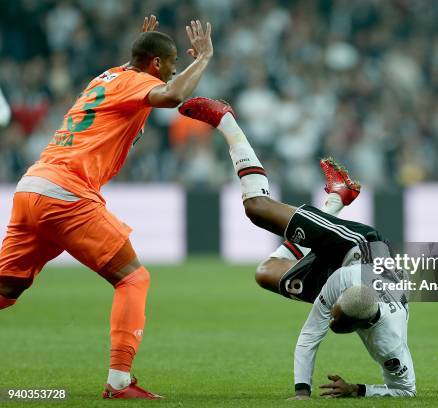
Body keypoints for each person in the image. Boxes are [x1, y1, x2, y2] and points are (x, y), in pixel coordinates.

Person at [0, 15, 213, 399]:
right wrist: (204, 59)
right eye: (172, 63)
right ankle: (119, 383)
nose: (175, 69)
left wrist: (144, 47)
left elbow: (133, 75)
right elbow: (173, 96)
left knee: (6, 288)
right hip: (66, 193)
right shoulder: (141, 81)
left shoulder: (107, 76)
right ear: (155, 65)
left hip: (32, 186)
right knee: (133, 278)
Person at [180, 97, 416, 399]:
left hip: (367, 275)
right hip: (362, 246)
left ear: (360, 323)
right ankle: (226, 120)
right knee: (257, 208)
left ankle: (336, 199)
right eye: (335, 313)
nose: (329, 317)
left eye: (335, 316)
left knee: (266, 273)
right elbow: (310, 336)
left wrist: (357, 390)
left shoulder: (390, 342)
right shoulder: (341, 286)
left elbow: (406, 391)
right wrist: (301, 390)